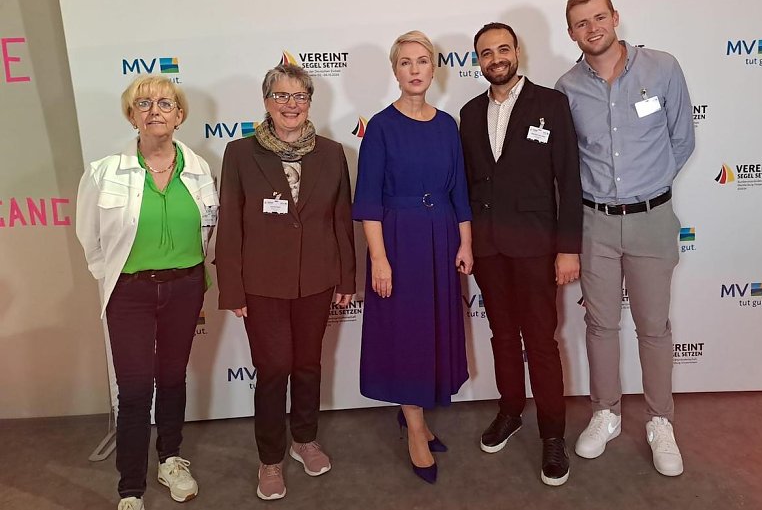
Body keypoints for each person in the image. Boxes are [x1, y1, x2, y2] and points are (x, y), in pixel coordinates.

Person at [555, 0, 695, 477]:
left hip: (653, 220)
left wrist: (647, 189)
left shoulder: (662, 68)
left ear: (615, 17)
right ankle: (606, 412)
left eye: (598, 17)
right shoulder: (567, 87)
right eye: (580, 23)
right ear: (570, 31)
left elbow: (682, 138)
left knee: (654, 328)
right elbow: (569, 162)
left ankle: (660, 422)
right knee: (601, 326)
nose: (591, 28)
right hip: (594, 223)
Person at [76, 75, 218, 510]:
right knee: (135, 389)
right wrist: (117, 278)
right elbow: (90, 240)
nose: (155, 109)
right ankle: (130, 487)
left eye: (165, 103)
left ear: (179, 115)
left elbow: (208, 231)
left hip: (185, 287)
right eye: (144, 103)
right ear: (132, 115)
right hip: (130, 294)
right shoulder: (105, 171)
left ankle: (172, 460)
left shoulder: (199, 169)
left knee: (172, 379)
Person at [215, 63, 355, 500]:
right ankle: (270, 459)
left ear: (310, 103)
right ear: (266, 102)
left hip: (316, 279)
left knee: (308, 364)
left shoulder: (332, 153)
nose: (290, 105)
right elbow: (231, 227)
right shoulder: (239, 153)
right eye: (281, 96)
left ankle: (304, 440)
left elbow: (341, 220)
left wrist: (346, 276)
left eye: (299, 97)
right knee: (274, 369)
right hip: (261, 284)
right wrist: (232, 288)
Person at [458, 22, 583, 486]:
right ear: (479, 61)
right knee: (502, 338)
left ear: (517, 52)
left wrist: (568, 248)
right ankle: (510, 411)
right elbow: (467, 185)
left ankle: (553, 435)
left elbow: (569, 181)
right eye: (486, 53)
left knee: (542, 343)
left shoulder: (550, 104)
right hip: (489, 249)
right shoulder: (469, 114)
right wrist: (466, 243)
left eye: (503, 49)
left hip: (536, 248)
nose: (496, 59)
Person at [353, 30, 473, 484]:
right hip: (399, 241)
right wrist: (379, 260)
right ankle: (416, 427)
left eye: (423, 61)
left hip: (442, 236)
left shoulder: (447, 125)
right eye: (406, 62)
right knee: (405, 331)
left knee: (432, 328)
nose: (416, 69)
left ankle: (415, 410)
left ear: (434, 68)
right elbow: (368, 200)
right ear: (395, 71)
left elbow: (459, 189)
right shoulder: (381, 126)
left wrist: (465, 243)